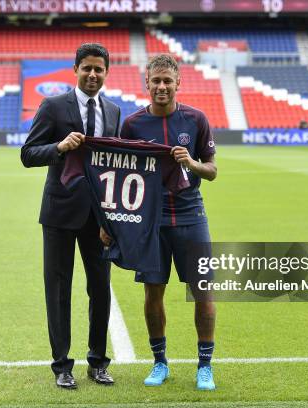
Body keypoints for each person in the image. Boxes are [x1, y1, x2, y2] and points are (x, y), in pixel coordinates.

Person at [113, 54, 218, 390]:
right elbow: (120, 173)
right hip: (150, 220)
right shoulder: (131, 125)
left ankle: (205, 366)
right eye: (155, 81)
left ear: (178, 83)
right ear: (146, 83)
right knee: (152, 292)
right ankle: (159, 363)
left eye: (167, 81)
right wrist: (113, 222)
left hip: (190, 216)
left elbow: (212, 170)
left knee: (202, 292)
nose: (161, 87)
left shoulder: (196, 119)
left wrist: (192, 162)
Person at [20, 43, 121, 390]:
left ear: (106, 73)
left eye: (99, 69)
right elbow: (28, 153)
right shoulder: (52, 106)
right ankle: (62, 365)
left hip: (100, 217)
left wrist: (114, 217)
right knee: (59, 290)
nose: (93, 75)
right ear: (75, 70)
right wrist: (59, 148)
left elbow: (113, 166)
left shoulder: (113, 111)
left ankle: (98, 362)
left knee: (101, 290)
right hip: (60, 212)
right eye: (87, 68)